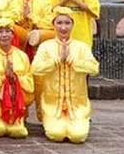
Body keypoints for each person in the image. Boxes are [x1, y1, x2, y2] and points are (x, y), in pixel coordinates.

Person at [31, 9, 100, 143]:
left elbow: (94, 68)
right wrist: (56, 61)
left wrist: (73, 61)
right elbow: (35, 68)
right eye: (59, 23)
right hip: (52, 104)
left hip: (77, 105)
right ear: (53, 25)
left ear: (73, 25)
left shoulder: (81, 47)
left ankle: (77, 121)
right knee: (56, 134)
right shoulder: (45, 46)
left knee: (78, 136)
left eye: (67, 23)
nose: (63, 27)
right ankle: (53, 121)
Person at [0, 19, 33, 139]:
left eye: (8, 31)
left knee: (19, 132)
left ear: (13, 35)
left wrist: (15, 77)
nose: (4, 35)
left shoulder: (22, 56)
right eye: (0, 32)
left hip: (15, 105)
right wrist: (4, 78)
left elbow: (30, 83)